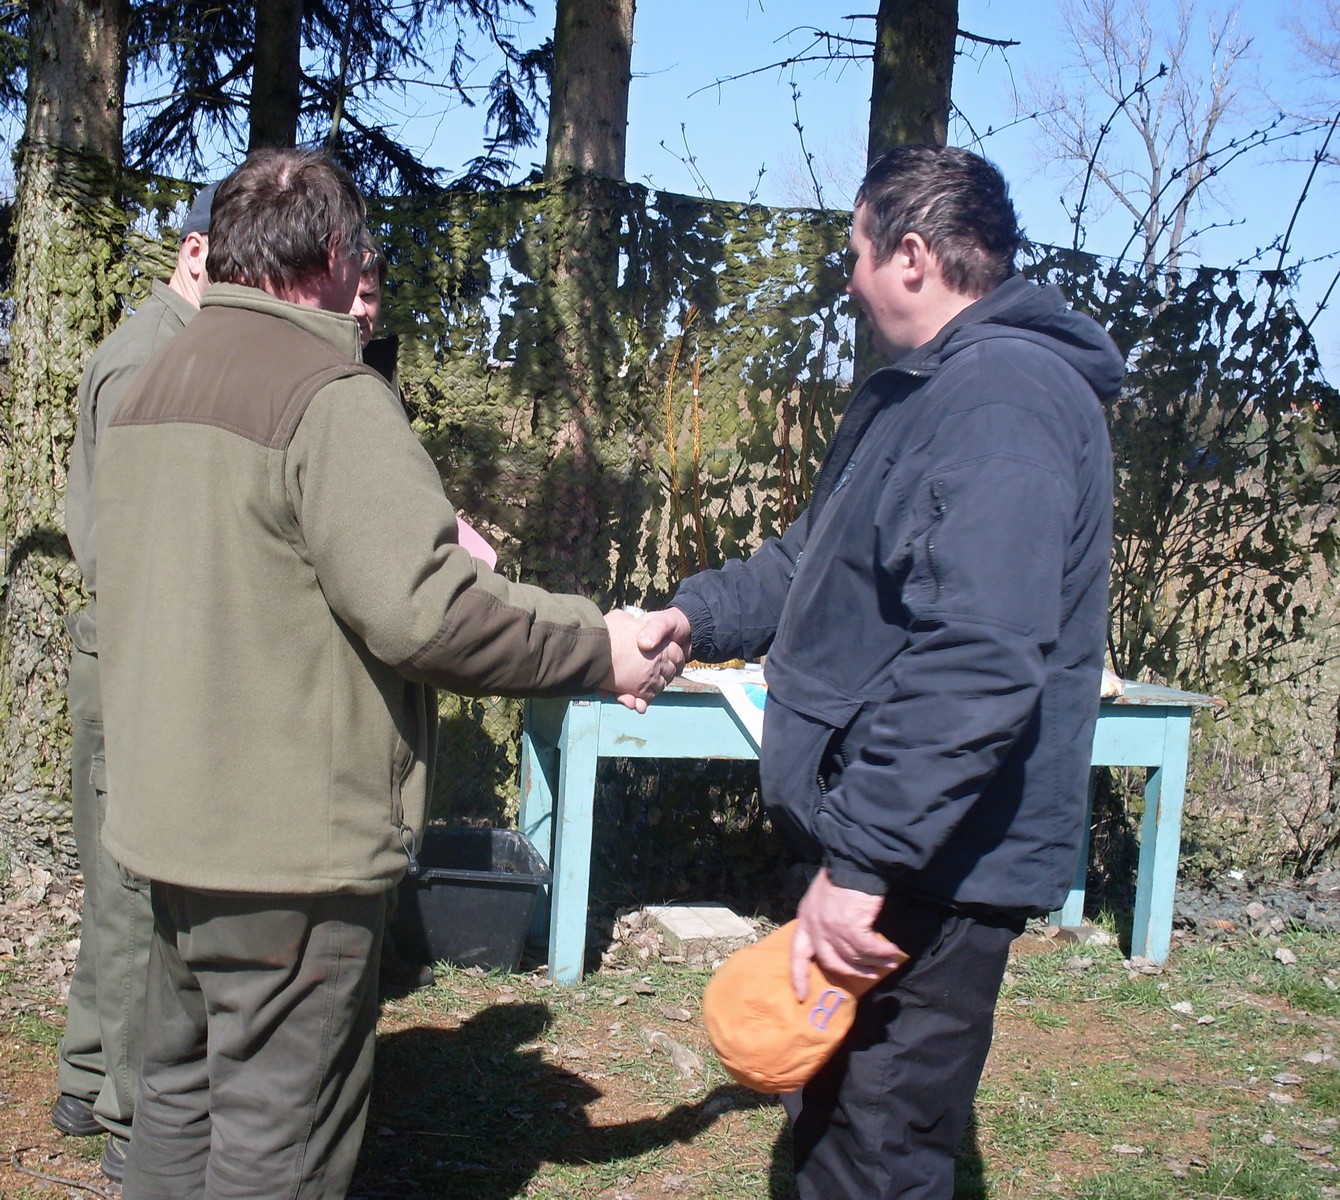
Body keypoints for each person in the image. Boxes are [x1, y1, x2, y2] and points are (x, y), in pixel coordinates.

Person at [92, 147, 680, 1200]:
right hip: (287, 857)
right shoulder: (330, 395)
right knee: (276, 1142)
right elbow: (429, 612)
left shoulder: (146, 383)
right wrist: (599, 646)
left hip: (165, 829)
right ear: (333, 254)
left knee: (177, 1100)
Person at [638, 145, 1124, 1199]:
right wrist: (690, 619)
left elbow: (980, 654)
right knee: (837, 1130)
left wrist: (862, 864)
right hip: (895, 846)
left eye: (855, 253)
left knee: (877, 1156)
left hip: (930, 865)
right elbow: (817, 560)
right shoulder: (932, 392)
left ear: (910, 254)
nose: (848, 281)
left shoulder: (1001, 403)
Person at [53, 181, 215, 1184]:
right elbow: (122, 537)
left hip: (135, 643)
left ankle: (83, 1072)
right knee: (133, 891)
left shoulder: (173, 345)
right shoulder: (151, 357)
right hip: (134, 648)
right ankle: (129, 1119)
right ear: (195, 251)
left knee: (119, 883)